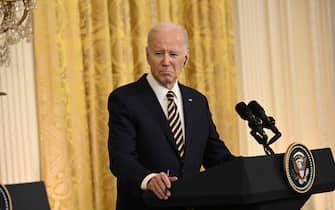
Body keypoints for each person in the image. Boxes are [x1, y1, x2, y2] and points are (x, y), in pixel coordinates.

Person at [107, 22, 235, 210]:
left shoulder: (198, 101)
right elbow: (121, 159)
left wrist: (253, 171)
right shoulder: (125, 99)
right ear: (147, 55)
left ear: (185, 58)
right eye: (158, 53)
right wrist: (149, 179)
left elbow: (216, 157)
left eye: (173, 54)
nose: (166, 61)